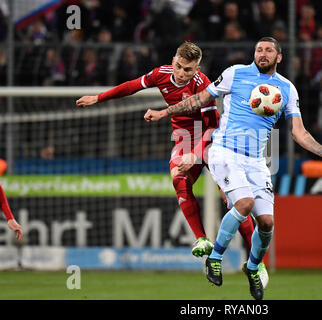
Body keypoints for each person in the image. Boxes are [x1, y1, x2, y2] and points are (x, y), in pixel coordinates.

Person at [144, 37, 322, 300]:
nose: (262, 54)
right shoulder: (234, 73)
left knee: (267, 222)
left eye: (268, 51)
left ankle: (252, 267)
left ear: (279, 57)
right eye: (259, 50)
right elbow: (199, 100)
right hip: (225, 150)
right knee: (244, 203)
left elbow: (299, 132)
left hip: (256, 161)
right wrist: (163, 113)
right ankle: (215, 258)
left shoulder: (287, 89)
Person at [75, 42, 268, 284]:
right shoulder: (161, 74)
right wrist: (98, 97)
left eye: (188, 70)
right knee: (178, 176)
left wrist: (195, 155)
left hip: (212, 141)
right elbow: (131, 86)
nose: (181, 73)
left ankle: (256, 264)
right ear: (173, 60)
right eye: (179, 66)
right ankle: (201, 239)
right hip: (183, 139)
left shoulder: (204, 85)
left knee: (235, 202)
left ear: (196, 69)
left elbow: (212, 126)